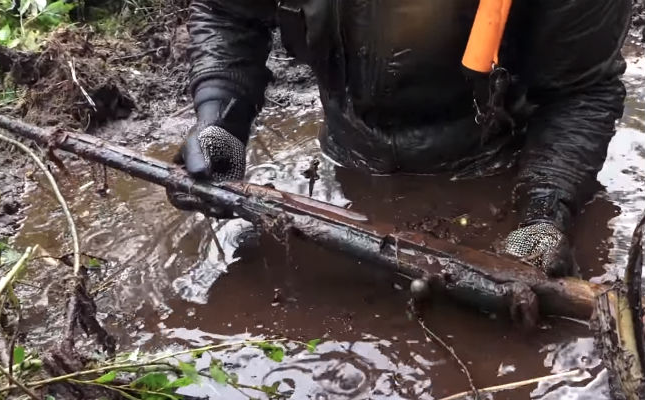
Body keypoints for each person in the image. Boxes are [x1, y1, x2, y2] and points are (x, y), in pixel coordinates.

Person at [171, 0, 632, 277]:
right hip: (347, 149)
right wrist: (221, 121)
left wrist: (545, 213)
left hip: (499, 156)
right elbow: (228, 13)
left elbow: (582, 89)